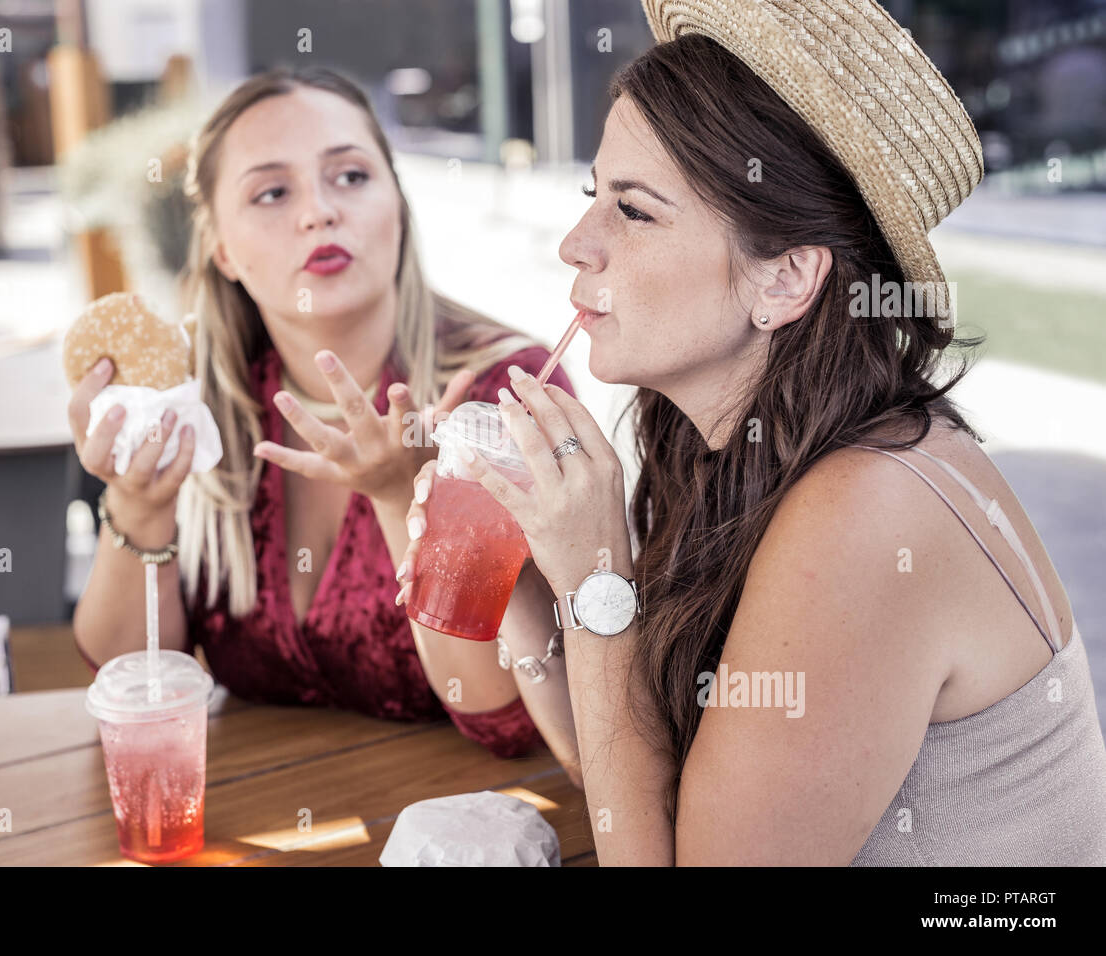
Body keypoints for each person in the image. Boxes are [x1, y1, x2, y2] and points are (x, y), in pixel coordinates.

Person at [397, 0, 1106, 864]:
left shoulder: (870, 514)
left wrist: (598, 579)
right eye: (594, 196)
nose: (576, 245)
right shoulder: (725, 449)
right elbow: (621, 772)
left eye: (635, 210)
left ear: (785, 281)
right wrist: (526, 580)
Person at [68, 66, 579, 765]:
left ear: (397, 202)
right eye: (272, 192)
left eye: (350, 176)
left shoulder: (500, 395)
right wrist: (137, 502)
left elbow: (504, 721)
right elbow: (130, 682)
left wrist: (404, 500)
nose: (319, 211)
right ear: (221, 248)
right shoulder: (203, 407)